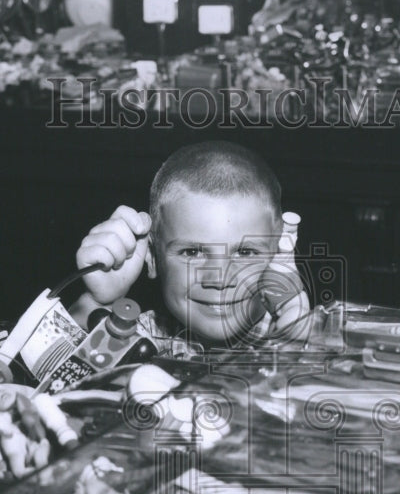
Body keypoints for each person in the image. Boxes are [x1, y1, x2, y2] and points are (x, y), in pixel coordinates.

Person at [75, 141, 310, 356]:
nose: (219, 280)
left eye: (245, 252)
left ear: (280, 253)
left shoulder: (311, 331)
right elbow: (56, 377)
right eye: (192, 252)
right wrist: (97, 303)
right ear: (153, 258)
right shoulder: (141, 338)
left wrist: (299, 334)